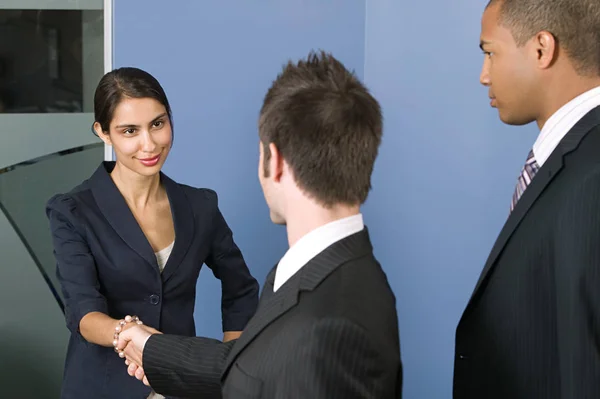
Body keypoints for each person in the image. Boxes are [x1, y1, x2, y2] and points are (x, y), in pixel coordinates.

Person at [117, 51, 403, 399]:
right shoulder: (321, 271)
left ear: (275, 160)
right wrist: (154, 350)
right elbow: (259, 363)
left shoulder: (328, 328)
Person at [46, 67, 259, 399]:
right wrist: (128, 332)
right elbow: (83, 312)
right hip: (101, 389)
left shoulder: (199, 205)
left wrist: (229, 366)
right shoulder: (73, 211)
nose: (149, 144)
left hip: (182, 387)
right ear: (103, 132)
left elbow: (241, 288)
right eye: (130, 130)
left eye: (157, 124)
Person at [454, 0, 600, 398]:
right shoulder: (570, 158)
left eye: (490, 53)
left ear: (541, 48)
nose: (484, 76)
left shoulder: (592, 175)